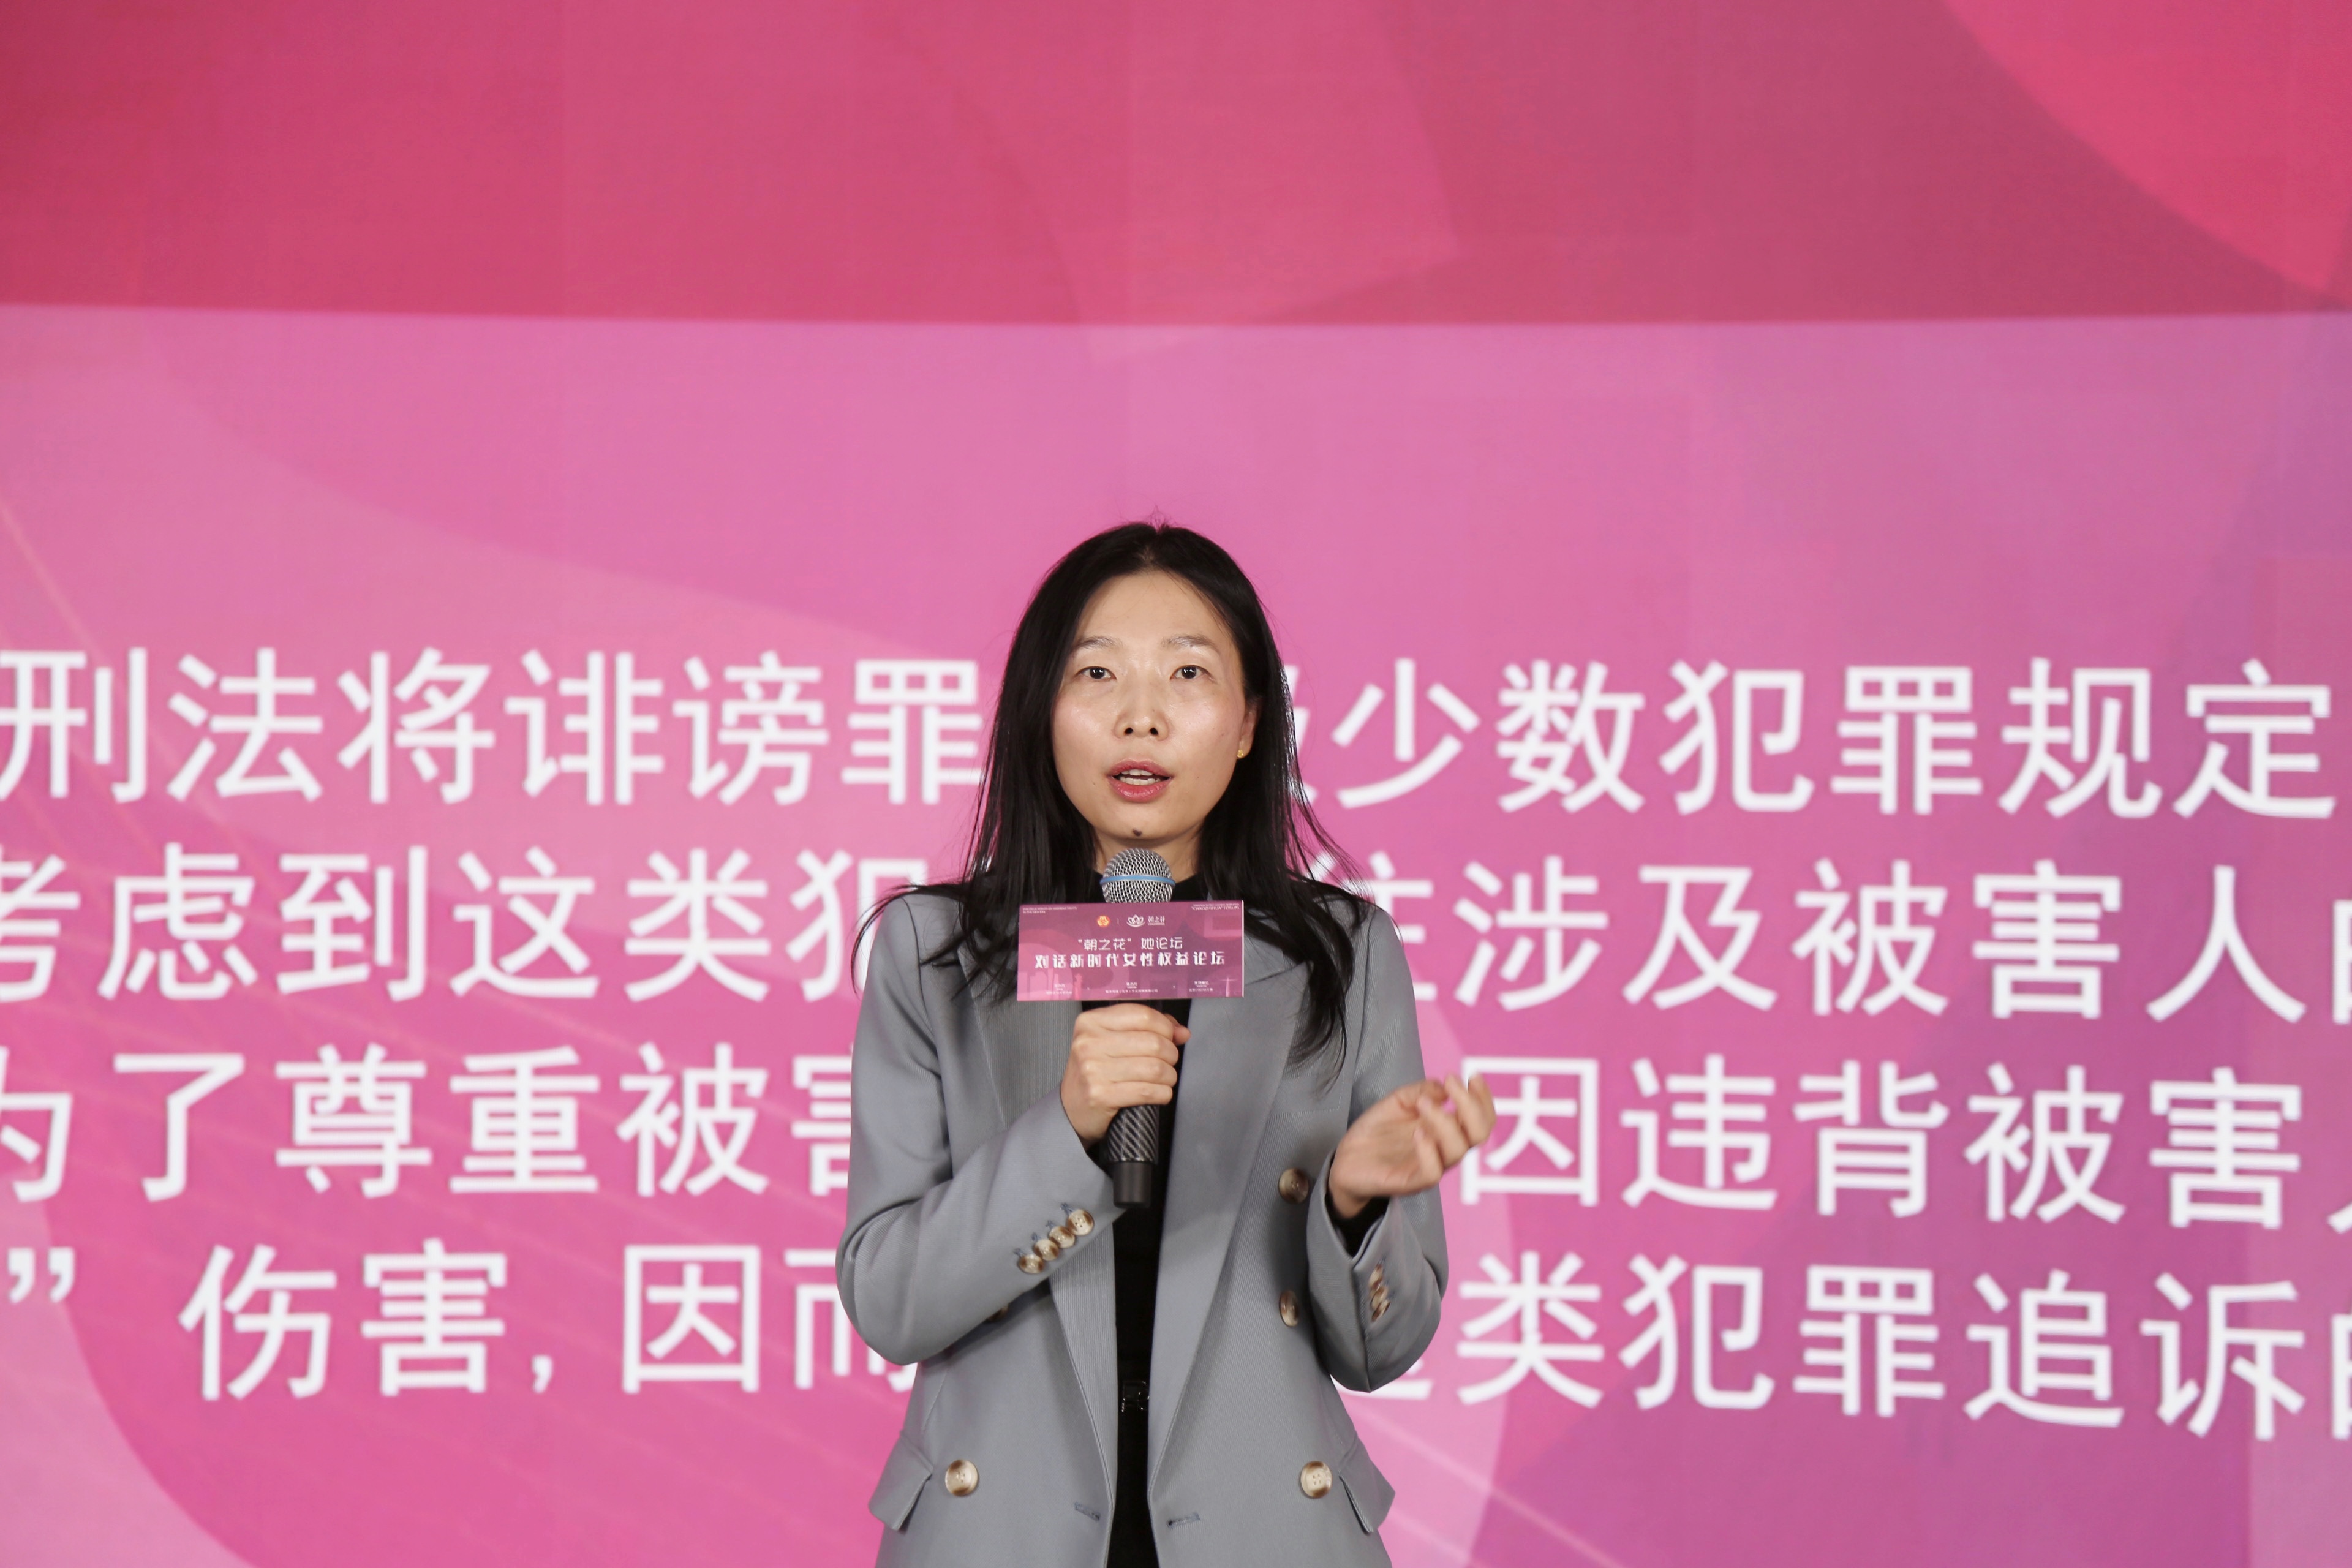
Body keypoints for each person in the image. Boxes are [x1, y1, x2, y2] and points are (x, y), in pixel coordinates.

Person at [837, 521, 1496, 1567]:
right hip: (1001, 1533)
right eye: (1096, 673)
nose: (1140, 715)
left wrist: (1354, 1206)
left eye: (1188, 674)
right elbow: (890, 1301)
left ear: (1247, 724)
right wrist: (1067, 1135)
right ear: (1040, 712)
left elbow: (1384, 1350)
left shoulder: (1343, 955)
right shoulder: (936, 956)